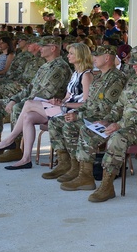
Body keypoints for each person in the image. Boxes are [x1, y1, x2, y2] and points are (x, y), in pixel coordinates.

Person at [69, 43, 137, 203]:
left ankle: (107, 185)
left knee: (117, 137)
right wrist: (108, 119)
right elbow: (119, 105)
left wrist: (119, 124)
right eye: (133, 63)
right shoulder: (134, 80)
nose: (134, 66)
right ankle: (85, 176)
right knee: (88, 130)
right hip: (126, 125)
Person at [0, 42, 94, 169]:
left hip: (72, 112)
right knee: (28, 117)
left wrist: (64, 104)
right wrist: (58, 101)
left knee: (29, 104)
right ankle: (26, 159)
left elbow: (86, 103)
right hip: (64, 108)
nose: (68, 56)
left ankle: (10, 139)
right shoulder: (75, 74)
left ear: (80, 56)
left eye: (71, 53)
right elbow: (67, 97)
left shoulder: (86, 75)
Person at [47, 45, 128, 184]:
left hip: (104, 119)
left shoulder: (116, 79)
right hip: (91, 116)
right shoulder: (100, 77)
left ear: (107, 58)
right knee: (55, 122)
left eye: (97, 56)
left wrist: (78, 116)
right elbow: (89, 103)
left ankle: (84, 174)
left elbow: (105, 108)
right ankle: (69, 165)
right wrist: (75, 111)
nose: (93, 59)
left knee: (71, 126)